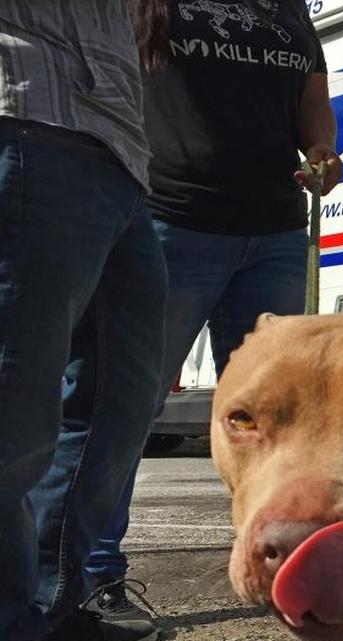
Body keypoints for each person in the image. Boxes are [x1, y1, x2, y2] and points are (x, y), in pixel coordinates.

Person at [81, 0, 342, 629]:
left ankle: (283, 563)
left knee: (281, 417)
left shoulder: (289, 11)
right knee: (122, 407)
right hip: (169, 220)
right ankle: (91, 577)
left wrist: (324, 148)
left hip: (276, 232)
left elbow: (312, 95)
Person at [0, 3, 168, 641]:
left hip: (121, 157)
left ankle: (51, 602)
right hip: (27, 111)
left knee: (118, 406)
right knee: (14, 404)